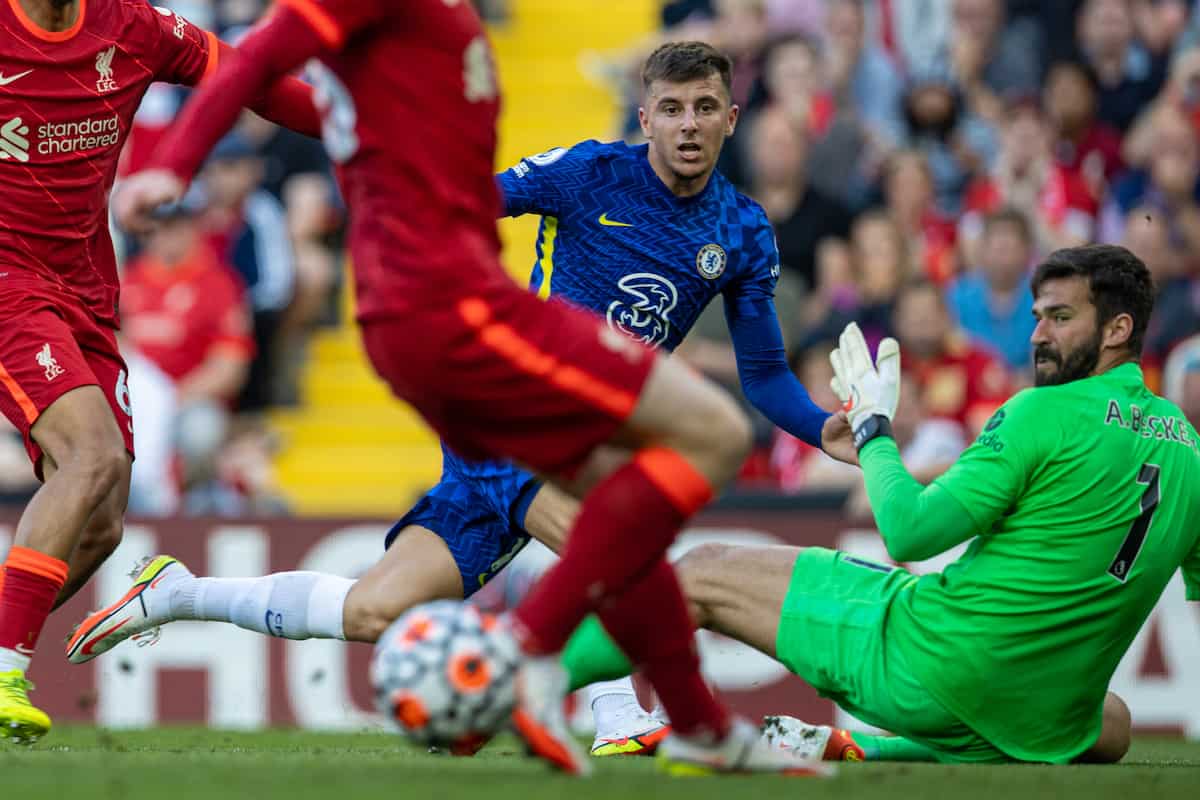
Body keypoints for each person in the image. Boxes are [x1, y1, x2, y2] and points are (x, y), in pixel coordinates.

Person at [98, 15, 838, 776]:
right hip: (497, 361)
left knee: (375, 609)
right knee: (644, 492)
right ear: (644, 115)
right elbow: (463, 190)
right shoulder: (584, 171)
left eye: (705, 107)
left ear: (731, 116)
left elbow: (766, 374)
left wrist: (826, 429)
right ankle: (586, 692)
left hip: (520, 387)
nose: (689, 125)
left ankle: (180, 595)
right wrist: (182, 165)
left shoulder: (742, 229)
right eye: (673, 108)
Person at [559, 244, 1200, 765]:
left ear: (1118, 329)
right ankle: (868, 748)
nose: (1037, 335)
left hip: (932, 665)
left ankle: (513, 677)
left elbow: (909, 532)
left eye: (1060, 318)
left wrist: (872, 429)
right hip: (1042, 714)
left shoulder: (1041, 412)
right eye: (1036, 316)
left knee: (699, 571)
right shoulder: (1190, 451)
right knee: (1111, 722)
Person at [0, 0, 321, 744]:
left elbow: (247, 79)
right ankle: (7, 666)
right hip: (8, 281)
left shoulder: (135, 27)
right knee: (91, 455)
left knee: (105, 517)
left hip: (85, 290)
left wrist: (364, 127)